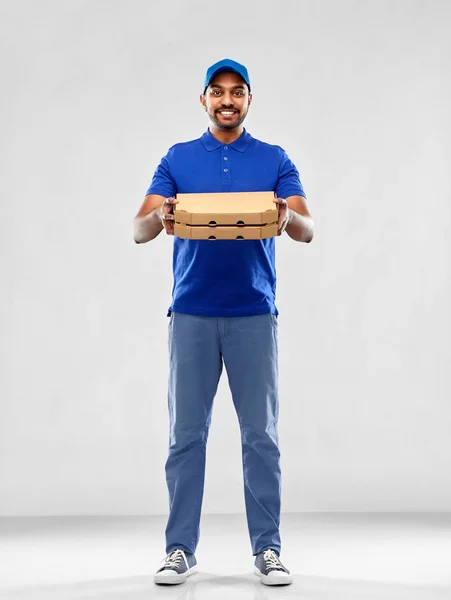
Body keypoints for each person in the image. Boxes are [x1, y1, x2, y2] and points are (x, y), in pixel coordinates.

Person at [133, 58, 314, 587]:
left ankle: (269, 550)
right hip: (190, 314)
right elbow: (141, 230)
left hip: (254, 314)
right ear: (204, 100)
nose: (227, 100)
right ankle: (178, 550)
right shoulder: (178, 158)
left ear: (249, 100)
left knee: (261, 436)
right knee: (186, 436)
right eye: (218, 92)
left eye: (237, 92)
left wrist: (286, 216)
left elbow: (305, 229)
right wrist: (159, 216)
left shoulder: (274, 159)